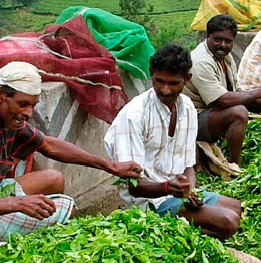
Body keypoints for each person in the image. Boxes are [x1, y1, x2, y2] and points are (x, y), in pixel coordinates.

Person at [0, 61, 141, 249]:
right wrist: (18, 204)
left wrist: (109, 166)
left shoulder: (7, 119)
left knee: (53, 179)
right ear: (0, 95)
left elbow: (48, 145)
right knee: (66, 209)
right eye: (23, 104)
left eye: (33, 105)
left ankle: (23, 233)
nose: (28, 113)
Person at [104, 44, 243, 240]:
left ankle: (185, 228)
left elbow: (188, 167)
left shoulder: (186, 108)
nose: (165, 90)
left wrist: (190, 192)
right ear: (151, 74)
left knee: (237, 209)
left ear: (187, 79)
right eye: (159, 81)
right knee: (228, 222)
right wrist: (169, 188)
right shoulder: (134, 115)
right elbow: (134, 186)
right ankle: (161, 236)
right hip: (149, 203)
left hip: (175, 194)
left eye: (174, 83)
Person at [184, 14, 261, 164]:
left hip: (211, 112)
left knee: (260, 101)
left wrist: (257, 97)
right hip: (193, 117)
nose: (222, 45)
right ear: (208, 36)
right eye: (217, 39)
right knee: (239, 112)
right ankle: (234, 164)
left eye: (228, 41)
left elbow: (236, 89)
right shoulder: (200, 61)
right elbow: (220, 100)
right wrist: (256, 93)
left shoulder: (225, 57)